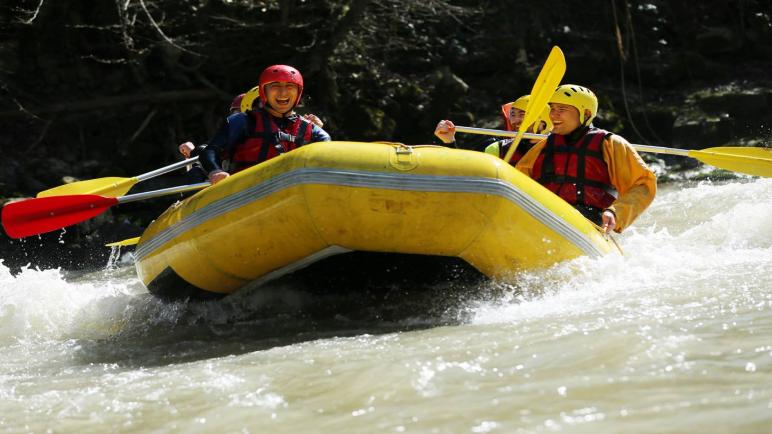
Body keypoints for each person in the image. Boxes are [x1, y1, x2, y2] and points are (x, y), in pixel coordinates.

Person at [515, 84, 657, 233]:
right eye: (552, 109)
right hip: (545, 215)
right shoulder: (543, 146)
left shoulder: (610, 144)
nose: (553, 115)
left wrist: (615, 212)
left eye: (562, 109)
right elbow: (519, 181)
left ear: (586, 114)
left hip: (590, 220)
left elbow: (643, 185)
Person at [200, 65, 331, 185]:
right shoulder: (243, 121)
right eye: (275, 86)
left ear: (298, 93)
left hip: (294, 190)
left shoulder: (313, 130)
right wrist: (215, 172)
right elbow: (210, 151)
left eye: (289, 87)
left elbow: (326, 159)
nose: (283, 93)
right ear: (264, 92)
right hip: (247, 190)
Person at [433, 95, 550, 164]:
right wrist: (449, 141)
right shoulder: (496, 148)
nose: (514, 121)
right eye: (513, 115)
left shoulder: (558, 147)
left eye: (522, 114)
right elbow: (462, 171)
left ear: (543, 123)